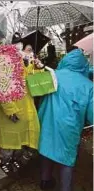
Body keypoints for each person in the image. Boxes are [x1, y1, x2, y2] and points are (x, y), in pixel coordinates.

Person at [38, 48, 93, 191]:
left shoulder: (53, 75)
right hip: (69, 126)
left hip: (46, 121)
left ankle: (45, 181)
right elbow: (92, 115)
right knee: (66, 158)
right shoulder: (89, 86)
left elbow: (36, 93)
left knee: (47, 150)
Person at [0, 42, 43, 175]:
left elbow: (37, 84)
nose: (29, 52)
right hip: (11, 109)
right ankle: (4, 161)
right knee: (9, 142)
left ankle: (17, 160)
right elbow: (0, 87)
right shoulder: (5, 63)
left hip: (26, 108)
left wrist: (39, 67)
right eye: (27, 50)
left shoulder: (28, 64)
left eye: (31, 50)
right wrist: (10, 109)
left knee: (23, 138)